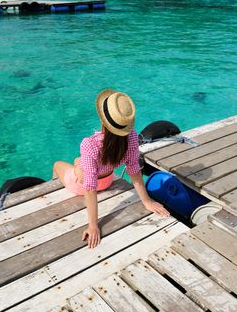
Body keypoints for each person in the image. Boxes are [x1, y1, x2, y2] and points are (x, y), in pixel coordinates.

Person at [53, 89, 170, 248]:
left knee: (57, 165)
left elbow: (89, 188)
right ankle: (77, 165)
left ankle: (55, 185)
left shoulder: (90, 144)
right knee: (78, 161)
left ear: (103, 121)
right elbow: (134, 172)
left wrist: (93, 225)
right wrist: (147, 201)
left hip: (81, 185)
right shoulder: (132, 137)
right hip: (108, 180)